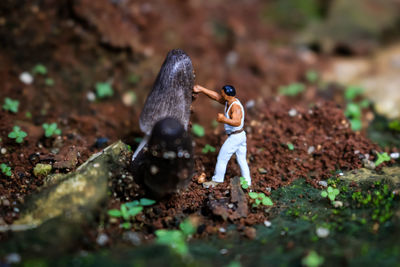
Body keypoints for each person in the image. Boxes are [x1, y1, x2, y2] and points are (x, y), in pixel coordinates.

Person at [193, 84, 251, 187]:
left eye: (223, 94)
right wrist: (201, 89)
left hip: (236, 137)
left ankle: (217, 180)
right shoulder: (228, 101)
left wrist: (224, 119)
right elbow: (216, 96)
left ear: (228, 95)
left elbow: (237, 122)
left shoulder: (235, 107)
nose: (221, 95)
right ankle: (248, 182)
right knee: (241, 160)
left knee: (222, 158)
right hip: (240, 135)